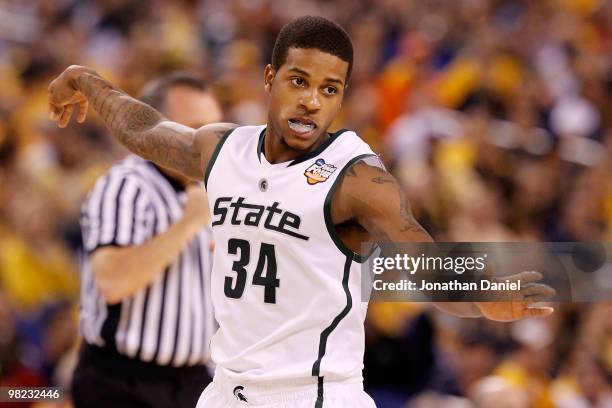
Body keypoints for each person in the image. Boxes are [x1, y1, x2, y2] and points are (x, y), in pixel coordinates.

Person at [49, 15, 554, 408]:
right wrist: (84, 80)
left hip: (314, 393)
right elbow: (144, 128)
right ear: (270, 78)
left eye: (329, 89)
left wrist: (484, 297)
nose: (312, 100)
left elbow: (421, 260)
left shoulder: (357, 177)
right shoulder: (223, 150)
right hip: (226, 389)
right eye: (299, 81)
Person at [71, 72, 222, 408]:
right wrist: (188, 224)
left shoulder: (214, 190)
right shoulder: (126, 185)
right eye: (193, 129)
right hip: (124, 382)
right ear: (156, 132)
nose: (205, 144)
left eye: (212, 129)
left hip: (195, 380)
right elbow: (113, 280)